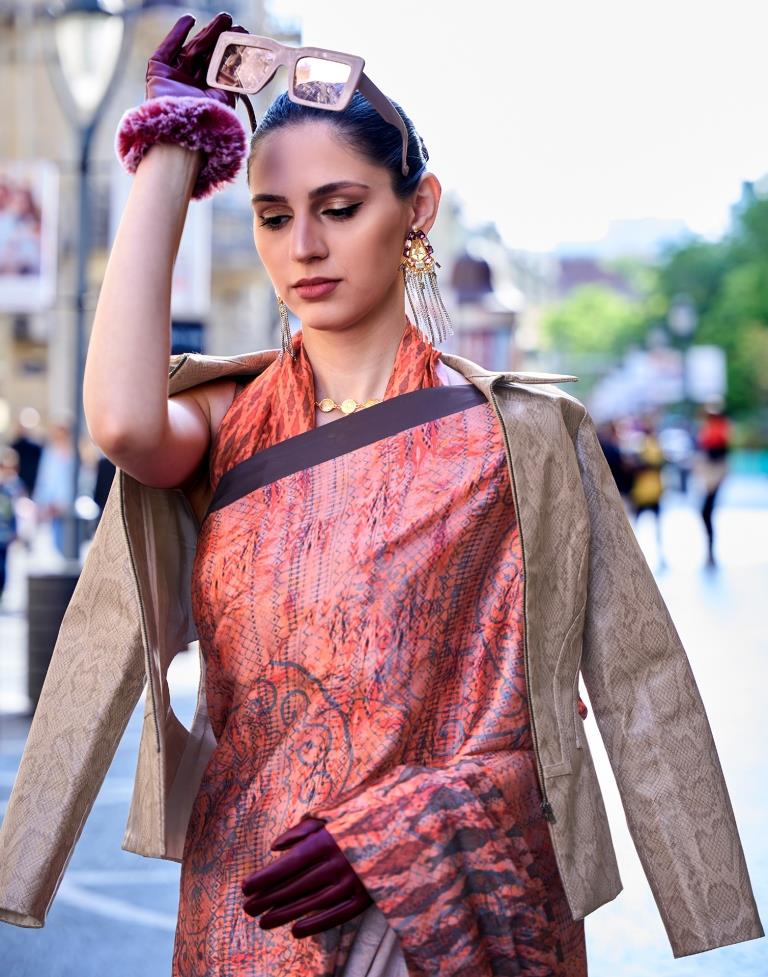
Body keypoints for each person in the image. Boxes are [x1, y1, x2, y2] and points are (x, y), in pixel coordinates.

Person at [0, 13, 763, 977]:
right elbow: (121, 422)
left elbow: (628, 693)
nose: (304, 246)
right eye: (274, 217)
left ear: (418, 207)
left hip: (443, 931)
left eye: (341, 205)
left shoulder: (516, 441)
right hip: (249, 907)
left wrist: (397, 838)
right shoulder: (229, 421)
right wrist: (169, 153)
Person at [693, 402, 731, 567]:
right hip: (711, 474)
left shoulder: (718, 429)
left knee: (706, 511)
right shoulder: (711, 429)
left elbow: (717, 453)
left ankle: (710, 549)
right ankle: (709, 549)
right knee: (705, 512)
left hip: (713, 474)